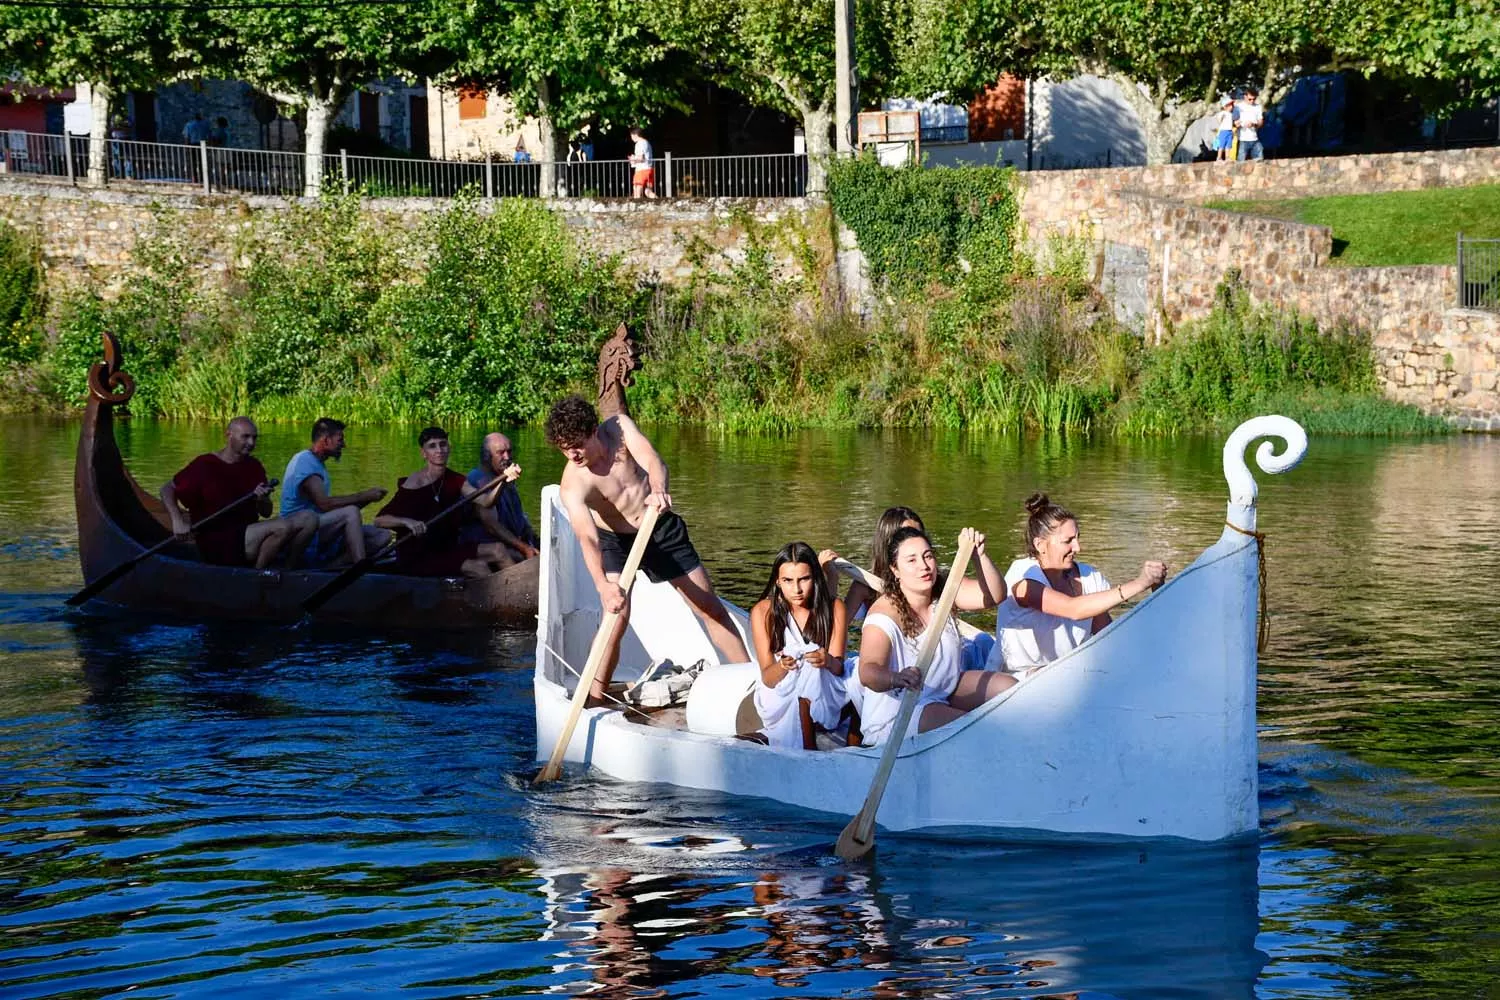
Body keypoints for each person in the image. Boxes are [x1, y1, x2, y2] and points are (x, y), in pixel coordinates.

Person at [546, 394, 748, 706]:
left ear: (593, 431)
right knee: (615, 616)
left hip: (659, 525)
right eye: (563, 447)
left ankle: (748, 684)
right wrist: (603, 586)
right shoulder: (573, 483)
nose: (571, 453)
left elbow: (654, 462)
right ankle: (595, 700)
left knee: (708, 607)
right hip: (615, 541)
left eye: (576, 444)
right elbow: (587, 538)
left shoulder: (620, 429)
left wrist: (658, 490)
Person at [856, 526, 1012, 747]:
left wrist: (979, 556)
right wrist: (896, 678)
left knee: (1010, 691)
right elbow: (868, 672)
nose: (924, 566)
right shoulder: (883, 614)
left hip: (942, 689)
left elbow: (995, 595)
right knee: (973, 729)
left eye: (927, 556)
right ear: (895, 569)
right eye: (912, 560)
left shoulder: (944, 590)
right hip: (899, 713)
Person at [987, 493, 1168, 673]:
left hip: (1068, 676)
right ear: (1040, 545)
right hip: (1017, 679)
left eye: (1077, 538)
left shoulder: (1089, 576)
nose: (1078, 548)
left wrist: (1157, 590)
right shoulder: (1023, 578)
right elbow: (1073, 609)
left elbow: (1109, 637)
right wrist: (1139, 583)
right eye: (1068, 541)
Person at [160, 417, 313, 568]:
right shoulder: (205, 464)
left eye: (254, 437)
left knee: (309, 518)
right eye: (245, 437)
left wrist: (262, 500)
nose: (251, 443)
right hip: (217, 539)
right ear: (229, 435)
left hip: (248, 533)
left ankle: (288, 569)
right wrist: (177, 520)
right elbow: (167, 489)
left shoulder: (254, 466)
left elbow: (266, 513)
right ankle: (256, 576)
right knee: (281, 526)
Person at [373, 426, 515, 577]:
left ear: (449, 448)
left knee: (499, 550)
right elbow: (379, 520)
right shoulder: (414, 483)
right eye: (432, 446)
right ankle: (496, 599)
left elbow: (486, 501)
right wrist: (407, 522)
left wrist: (503, 480)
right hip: (418, 556)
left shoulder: (456, 480)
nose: (439, 450)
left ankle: (519, 592)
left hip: (446, 548)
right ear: (424, 453)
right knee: (477, 567)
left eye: (443, 444)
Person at [750, 542, 850, 750]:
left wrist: (827, 660)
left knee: (819, 673)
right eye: (787, 581)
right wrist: (783, 666)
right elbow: (768, 678)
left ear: (815, 577)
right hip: (780, 693)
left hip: (825, 688)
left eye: (804, 579)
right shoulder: (763, 612)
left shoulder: (834, 608)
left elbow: (839, 667)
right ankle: (808, 749)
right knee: (803, 676)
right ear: (777, 581)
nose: (796, 589)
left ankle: (856, 746)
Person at [280, 417, 389, 568]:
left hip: (319, 528)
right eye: (340, 440)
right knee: (350, 512)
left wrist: (369, 498)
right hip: (299, 531)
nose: (344, 445)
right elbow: (324, 504)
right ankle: (360, 568)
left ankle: (331, 567)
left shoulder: (318, 464)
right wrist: (363, 495)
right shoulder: (304, 461)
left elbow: (329, 509)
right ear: (325, 440)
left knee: (382, 536)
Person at [460, 432, 538, 563]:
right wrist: (525, 548)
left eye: (509, 451)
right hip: (486, 546)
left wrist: (533, 539)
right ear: (486, 456)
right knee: (518, 556)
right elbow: (493, 526)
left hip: (509, 543)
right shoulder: (478, 479)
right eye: (501, 453)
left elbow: (518, 517)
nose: (507, 457)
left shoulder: (505, 476)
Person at [628, 126, 656, 200]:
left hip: (641, 170)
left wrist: (633, 159)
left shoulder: (639, 144)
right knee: (648, 191)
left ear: (635, 135)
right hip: (649, 169)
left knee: (637, 191)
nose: (631, 138)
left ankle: (637, 209)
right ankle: (660, 203)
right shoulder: (647, 143)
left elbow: (641, 158)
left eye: (631, 136)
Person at [1236, 90, 1265, 161]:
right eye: (1250, 99)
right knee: (1240, 163)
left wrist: (1254, 125)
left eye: (1254, 99)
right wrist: (1237, 124)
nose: (1252, 101)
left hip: (1255, 139)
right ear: (1245, 97)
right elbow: (1234, 121)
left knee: (1260, 161)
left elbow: (1261, 122)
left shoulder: (1258, 107)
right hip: (1242, 139)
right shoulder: (1238, 106)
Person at [1214, 96, 1236, 162]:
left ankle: (1227, 157)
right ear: (1225, 106)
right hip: (1223, 131)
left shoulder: (1231, 114)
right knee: (1222, 145)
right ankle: (1219, 157)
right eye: (1229, 105)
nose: (1231, 107)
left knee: (1228, 145)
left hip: (1229, 131)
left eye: (1232, 105)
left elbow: (1231, 123)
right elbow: (1218, 120)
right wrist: (1221, 118)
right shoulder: (1222, 113)